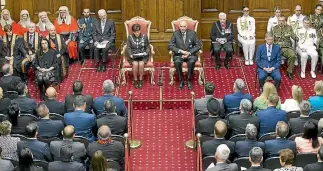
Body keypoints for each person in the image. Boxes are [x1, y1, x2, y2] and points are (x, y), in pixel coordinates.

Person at [168, 20, 202, 90]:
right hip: (179, 54)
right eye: (181, 26)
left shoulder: (192, 33)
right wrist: (181, 51)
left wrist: (189, 53)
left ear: (187, 26)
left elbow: (198, 45)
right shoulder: (175, 34)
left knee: (192, 61)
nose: (182, 28)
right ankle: (181, 80)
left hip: (190, 54)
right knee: (177, 62)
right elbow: (170, 46)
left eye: (184, 26)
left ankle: (189, 80)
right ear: (179, 27)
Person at [271, 15, 298, 80]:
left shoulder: (289, 28)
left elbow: (293, 35)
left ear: (285, 21)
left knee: (293, 55)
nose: (281, 22)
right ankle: (272, 71)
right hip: (277, 48)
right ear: (278, 21)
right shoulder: (273, 29)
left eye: (283, 21)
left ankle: (289, 72)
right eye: (280, 20)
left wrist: (296, 38)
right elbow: (270, 38)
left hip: (287, 47)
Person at [126, 24, 150, 88]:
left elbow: (147, 46)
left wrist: (146, 53)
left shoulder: (144, 36)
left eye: (138, 31)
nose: (137, 33)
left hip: (143, 55)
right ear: (133, 32)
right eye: (135, 32)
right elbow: (128, 47)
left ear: (140, 30)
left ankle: (141, 79)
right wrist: (130, 54)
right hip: (133, 55)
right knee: (135, 64)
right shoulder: (130, 37)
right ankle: (136, 79)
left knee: (141, 64)